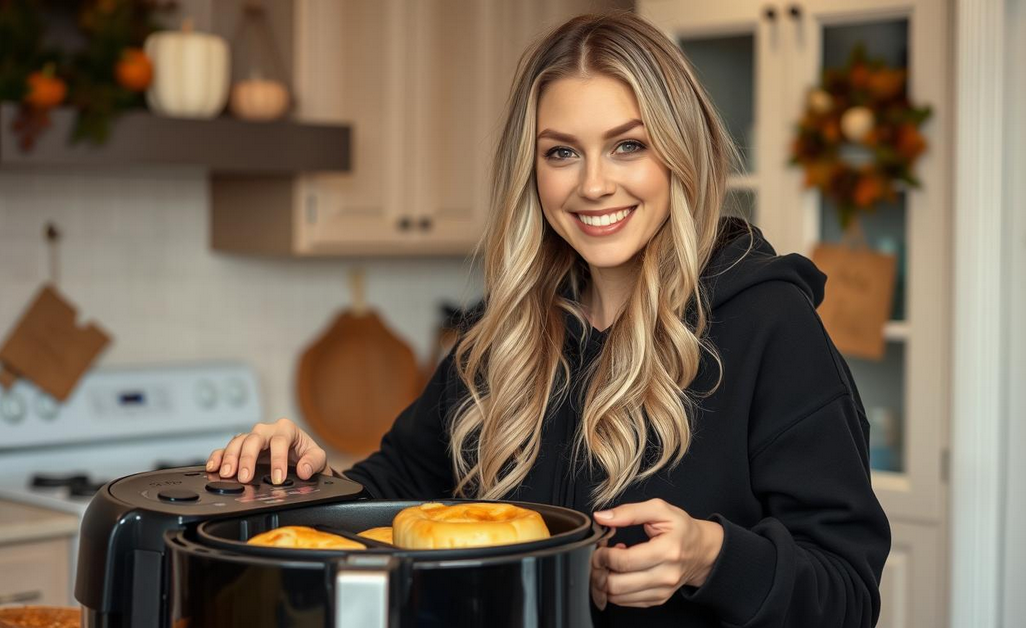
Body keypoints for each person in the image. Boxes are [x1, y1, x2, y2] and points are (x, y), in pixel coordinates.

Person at [206, 11, 890, 627]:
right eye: (561, 151)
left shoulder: (770, 326)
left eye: (628, 145)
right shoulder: (497, 335)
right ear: (532, 171)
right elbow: (391, 501)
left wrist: (713, 557)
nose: (593, 184)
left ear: (682, 152)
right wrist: (300, 481)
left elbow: (848, 593)